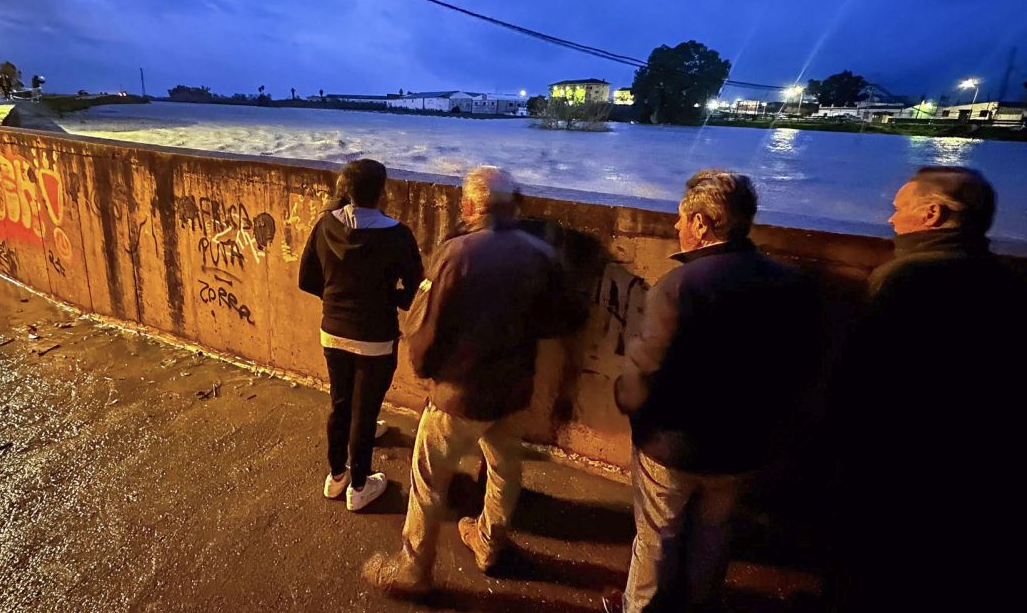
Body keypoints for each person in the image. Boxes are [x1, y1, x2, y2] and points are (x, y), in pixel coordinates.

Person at [363, 166, 585, 595]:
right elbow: (567, 317)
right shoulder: (539, 253)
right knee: (503, 468)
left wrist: (426, 371)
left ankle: (413, 570)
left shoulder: (458, 253)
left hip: (460, 392)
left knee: (429, 477)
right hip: (512, 388)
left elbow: (424, 325)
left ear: (469, 206)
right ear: (511, 205)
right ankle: (489, 542)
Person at [604, 170, 817, 613]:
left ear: (701, 224)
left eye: (681, 218)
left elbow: (644, 374)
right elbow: (802, 367)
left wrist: (631, 407)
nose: (676, 225)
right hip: (745, 446)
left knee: (657, 538)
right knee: (714, 535)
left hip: (675, 445)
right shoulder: (790, 283)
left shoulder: (680, 287)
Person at [831, 167, 1025, 612]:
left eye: (898, 208)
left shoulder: (904, 279)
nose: (890, 219)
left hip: (898, 461)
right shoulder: (1005, 280)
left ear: (931, 213)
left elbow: (868, 379)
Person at [298, 159, 424, 512]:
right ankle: (359, 484)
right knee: (364, 410)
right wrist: (387, 298)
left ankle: (336, 475)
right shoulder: (397, 234)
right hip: (375, 337)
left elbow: (306, 279)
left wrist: (338, 299)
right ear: (383, 192)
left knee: (340, 402)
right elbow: (414, 290)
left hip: (333, 331)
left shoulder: (326, 224)